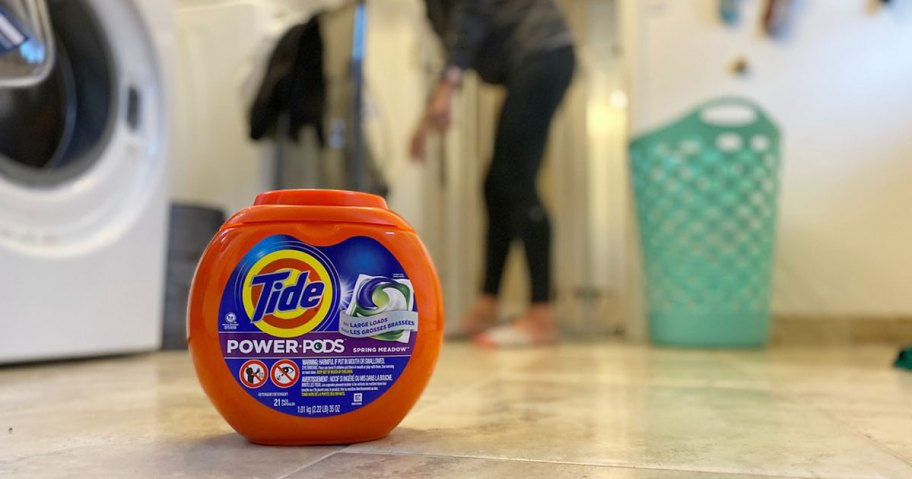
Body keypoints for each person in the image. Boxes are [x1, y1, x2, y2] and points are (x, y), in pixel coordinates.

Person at [410, 0, 575, 347]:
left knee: (515, 180)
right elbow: (455, 43)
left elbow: (471, 14)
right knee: (495, 185)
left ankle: (542, 315)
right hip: (533, 60)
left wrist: (447, 90)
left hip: (542, 52)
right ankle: (487, 305)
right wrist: (431, 110)